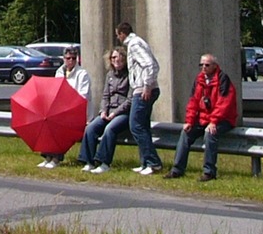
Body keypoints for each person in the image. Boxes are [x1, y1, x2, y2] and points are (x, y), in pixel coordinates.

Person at [164, 53, 238, 181]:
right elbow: (193, 102)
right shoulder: (199, 80)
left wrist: (214, 121)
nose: (203, 67)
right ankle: (177, 169)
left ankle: (209, 172)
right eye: (201, 64)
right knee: (185, 133)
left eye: (207, 65)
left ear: (214, 66)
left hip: (223, 119)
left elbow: (224, 103)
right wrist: (189, 121)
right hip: (205, 118)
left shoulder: (223, 79)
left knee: (210, 134)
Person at [115, 21, 162, 175]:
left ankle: (153, 162)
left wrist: (147, 86)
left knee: (135, 125)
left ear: (122, 33)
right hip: (143, 88)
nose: (118, 39)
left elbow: (150, 65)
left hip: (143, 90)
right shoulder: (137, 43)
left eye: (118, 35)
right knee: (143, 126)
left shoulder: (134, 44)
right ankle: (145, 162)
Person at [39, 46, 91, 168]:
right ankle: (47, 156)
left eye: (74, 58)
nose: (71, 61)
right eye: (68, 58)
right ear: (64, 59)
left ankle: (56, 158)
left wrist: (67, 102)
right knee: (46, 122)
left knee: (59, 126)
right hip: (62, 110)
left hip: (78, 112)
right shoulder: (59, 72)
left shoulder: (82, 74)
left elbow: (83, 96)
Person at [81, 47, 131, 173]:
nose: (116, 60)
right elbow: (105, 96)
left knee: (110, 129)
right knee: (90, 128)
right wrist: (103, 111)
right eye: (113, 57)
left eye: (119, 57)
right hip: (108, 111)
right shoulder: (109, 75)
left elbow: (129, 100)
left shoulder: (130, 75)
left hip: (123, 113)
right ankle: (88, 161)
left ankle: (104, 162)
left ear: (124, 59)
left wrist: (115, 113)